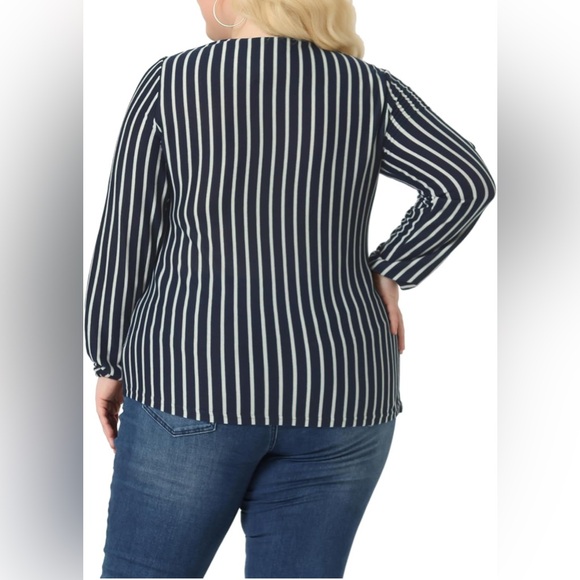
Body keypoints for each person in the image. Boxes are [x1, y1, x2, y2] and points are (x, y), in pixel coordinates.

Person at [84, 0, 496, 577]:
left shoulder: (174, 82)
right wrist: (390, 270)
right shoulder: (369, 89)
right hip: (344, 391)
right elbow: (464, 181)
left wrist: (109, 357)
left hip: (194, 377)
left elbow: (128, 234)